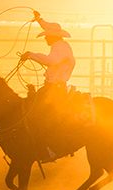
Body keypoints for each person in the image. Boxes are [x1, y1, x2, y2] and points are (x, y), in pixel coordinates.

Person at [19, 11, 77, 159]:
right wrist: (39, 20)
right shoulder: (61, 45)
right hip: (53, 87)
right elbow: (49, 27)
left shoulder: (60, 48)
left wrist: (31, 54)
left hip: (55, 89)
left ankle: (48, 147)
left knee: (39, 114)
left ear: (52, 36)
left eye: (46, 36)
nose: (45, 38)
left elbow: (51, 61)